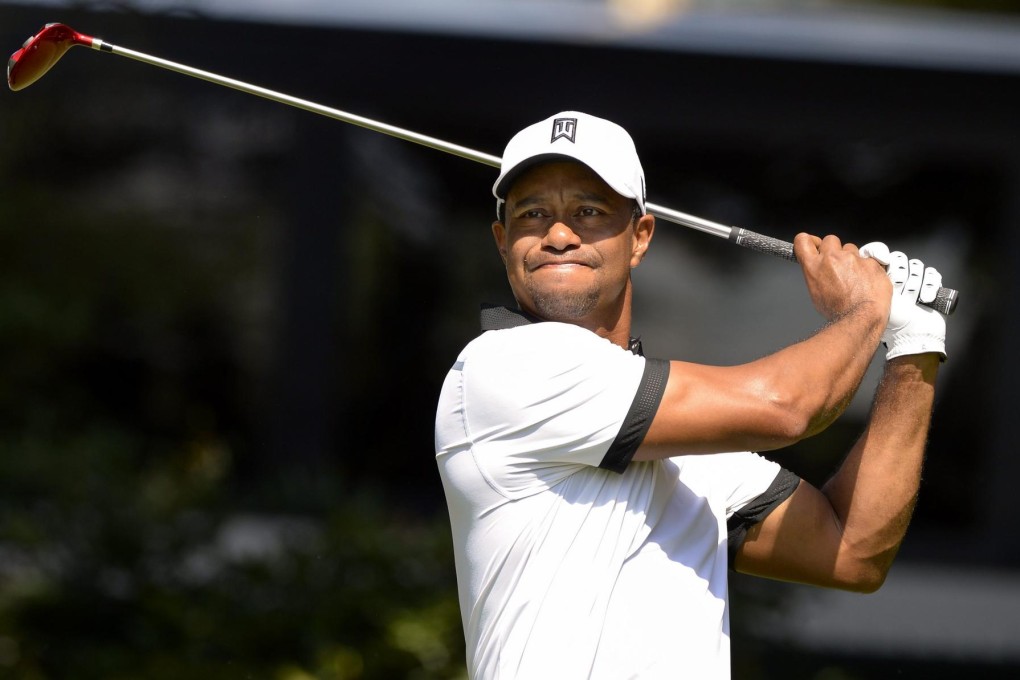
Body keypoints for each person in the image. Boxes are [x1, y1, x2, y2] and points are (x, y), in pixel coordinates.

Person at [434, 111, 947, 679]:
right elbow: (786, 406)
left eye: (589, 211)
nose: (559, 235)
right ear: (503, 242)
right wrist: (866, 307)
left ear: (641, 237)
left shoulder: (677, 438)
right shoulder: (505, 366)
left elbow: (851, 552)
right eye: (533, 214)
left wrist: (913, 346)